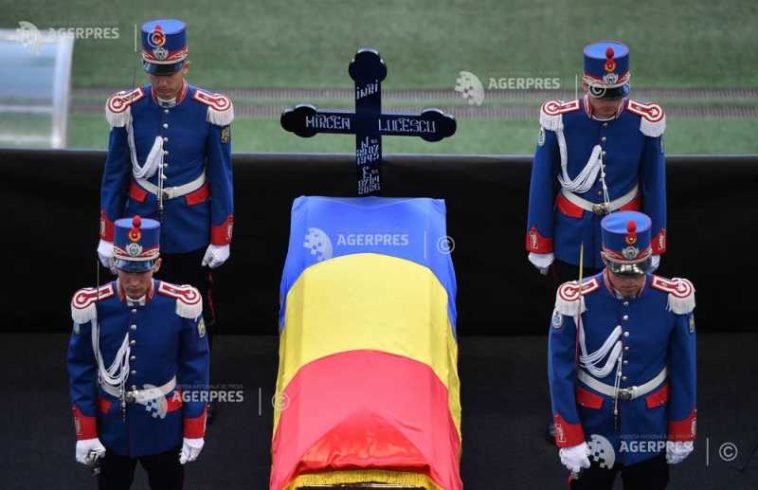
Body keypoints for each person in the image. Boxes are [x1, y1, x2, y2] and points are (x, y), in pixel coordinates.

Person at [96, 18, 234, 353]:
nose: (163, 82)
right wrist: (107, 234)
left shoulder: (208, 111)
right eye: (156, 73)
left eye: (170, 72)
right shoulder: (130, 109)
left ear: (185, 66)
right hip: (139, 226)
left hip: (190, 227)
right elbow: (115, 175)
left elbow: (221, 176)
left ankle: (197, 380)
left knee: (194, 307)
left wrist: (221, 236)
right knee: (142, 308)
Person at [548, 211, 696, 490]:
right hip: (594, 424)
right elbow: (560, 372)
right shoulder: (577, 300)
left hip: (648, 425)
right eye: (621, 271)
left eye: (639, 270)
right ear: (605, 261)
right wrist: (569, 434)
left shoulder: (671, 299)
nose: (630, 280)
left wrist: (681, 428)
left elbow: (683, 369)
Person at [68, 216, 209, 489]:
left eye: (141, 272)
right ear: (115, 265)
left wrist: (194, 427)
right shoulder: (94, 305)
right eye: (126, 271)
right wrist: (85, 432)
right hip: (112, 428)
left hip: (164, 426)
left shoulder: (179, 304)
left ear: (157, 264)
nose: (133, 281)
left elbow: (196, 368)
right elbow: (81, 370)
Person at [526, 40, 667, 283]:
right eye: (602, 96)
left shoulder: (643, 122)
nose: (609, 105)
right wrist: (541, 243)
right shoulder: (561, 120)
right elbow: (542, 183)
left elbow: (654, 186)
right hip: (573, 236)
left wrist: (654, 242)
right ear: (585, 85)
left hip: (626, 237)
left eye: (616, 97)